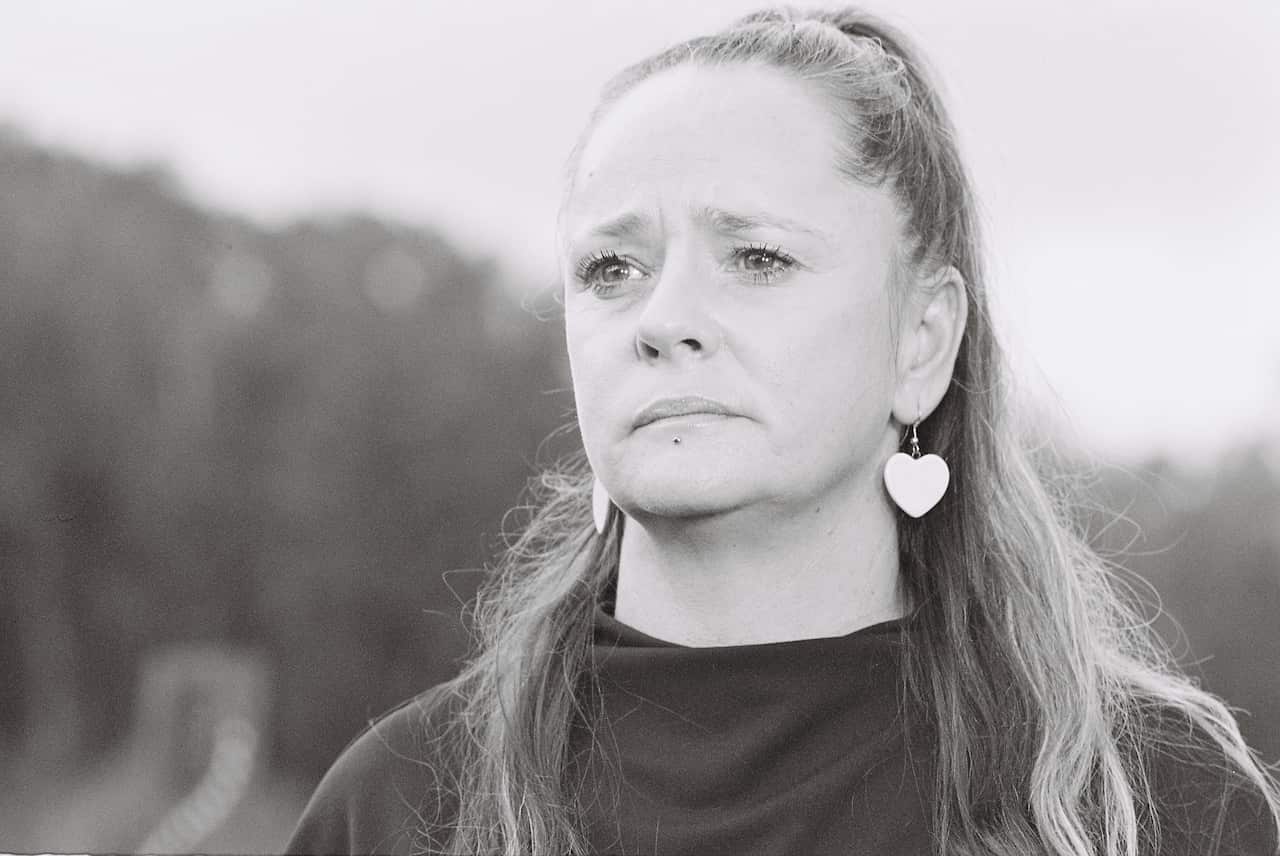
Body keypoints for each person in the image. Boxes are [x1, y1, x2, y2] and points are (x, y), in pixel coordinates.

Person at [284, 6, 1280, 855]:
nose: (663, 318)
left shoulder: (1147, 805)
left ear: (922, 339)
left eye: (756, 258)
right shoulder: (402, 808)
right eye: (611, 269)